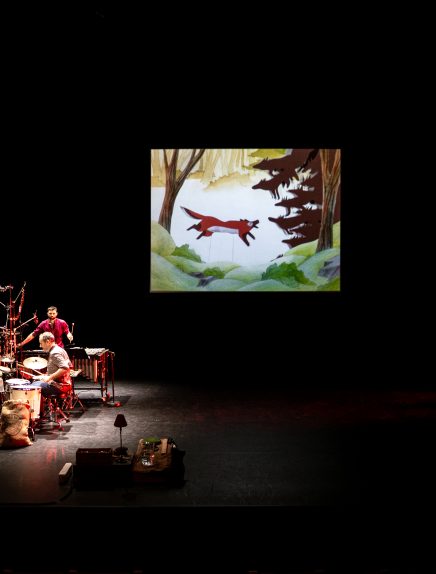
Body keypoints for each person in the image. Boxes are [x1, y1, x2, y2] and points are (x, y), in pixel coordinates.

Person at [35, 331, 72, 410]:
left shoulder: (54, 353)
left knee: (34, 387)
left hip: (60, 386)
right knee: (36, 382)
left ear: (48, 342)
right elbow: (69, 365)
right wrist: (45, 376)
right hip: (64, 383)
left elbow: (64, 368)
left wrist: (49, 378)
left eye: (41, 343)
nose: (40, 346)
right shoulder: (60, 349)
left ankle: (39, 414)